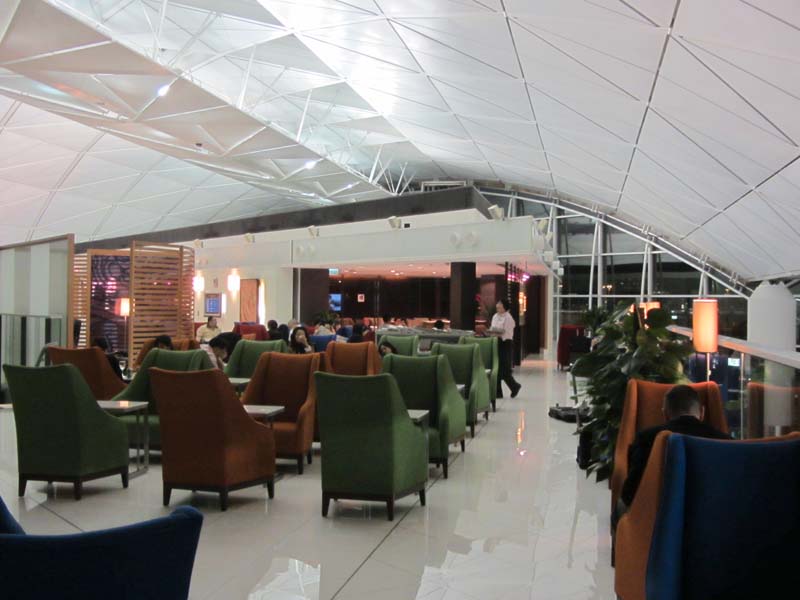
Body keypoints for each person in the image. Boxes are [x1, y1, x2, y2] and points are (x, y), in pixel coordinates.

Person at [617, 385, 729, 520]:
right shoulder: (725, 441)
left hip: (658, 520)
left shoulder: (647, 438)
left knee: (619, 511)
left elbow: (630, 493)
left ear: (665, 414)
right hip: (713, 518)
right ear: (702, 412)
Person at [489, 299, 521, 398]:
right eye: (497, 305)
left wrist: (496, 331)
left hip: (505, 343)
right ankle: (499, 392)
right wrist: (493, 332)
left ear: (504, 307)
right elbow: (492, 329)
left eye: (500, 305)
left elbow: (505, 332)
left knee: (504, 368)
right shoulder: (495, 316)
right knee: (496, 367)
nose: (498, 306)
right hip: (496, 342)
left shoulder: (508, 318)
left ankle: (514, 386)